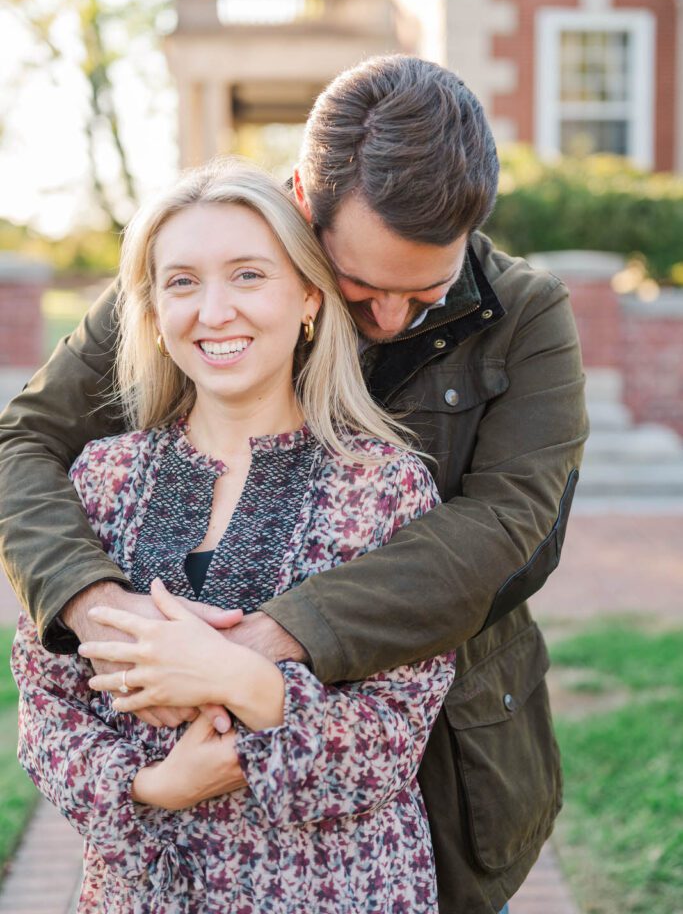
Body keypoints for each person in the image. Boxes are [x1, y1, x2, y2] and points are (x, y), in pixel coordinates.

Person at [0, 55, 588, 914]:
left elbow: (506, 531)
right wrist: (104, 614)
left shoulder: (527, 317)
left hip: (439, 755)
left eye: (423, 290)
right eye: (359, 284)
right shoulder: (210, 270)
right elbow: (25, 442)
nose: (388, 318)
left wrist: (247, 651)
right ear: (306, 207)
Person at [11, 159, 456, 912]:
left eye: (248, 275)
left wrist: (236, 678)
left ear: (309, 297)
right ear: (152, 312)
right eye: (182, 282)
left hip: (341, 889)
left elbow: (393, 732)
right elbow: (46, 705)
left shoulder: (385, 485)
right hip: (144, 891)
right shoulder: (102, 479)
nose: (213, 311)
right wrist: (152, 787)